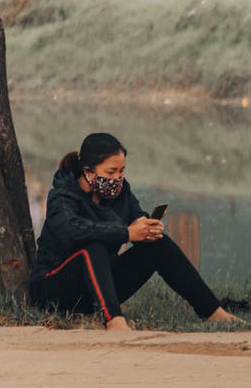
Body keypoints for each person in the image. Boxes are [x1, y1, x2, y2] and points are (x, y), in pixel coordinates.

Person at [28, 132, 239, 330]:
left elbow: (136, 215)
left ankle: (213, 311)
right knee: (93, 248)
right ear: (88, 171)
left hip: (99, 287)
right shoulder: (62, 196)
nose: (117, 177)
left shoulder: (119, 190)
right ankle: (115, 322)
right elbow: (73, 231)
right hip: (54, 289)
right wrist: (127, 233)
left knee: (158, 245)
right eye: (111, 172)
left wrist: (147, 228)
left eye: (121, 171)